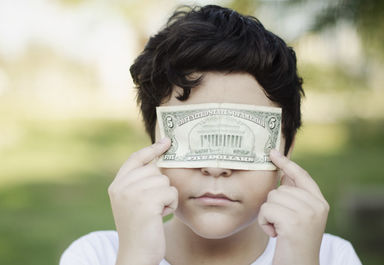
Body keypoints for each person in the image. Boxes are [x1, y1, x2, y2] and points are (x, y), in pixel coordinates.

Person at [60, 5, 362, 265]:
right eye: (196, 136)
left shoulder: (332, 256)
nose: (216, 168)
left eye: (244, 138)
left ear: (288, 147)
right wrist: (136, 257)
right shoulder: (96, 255)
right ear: (156, 142)